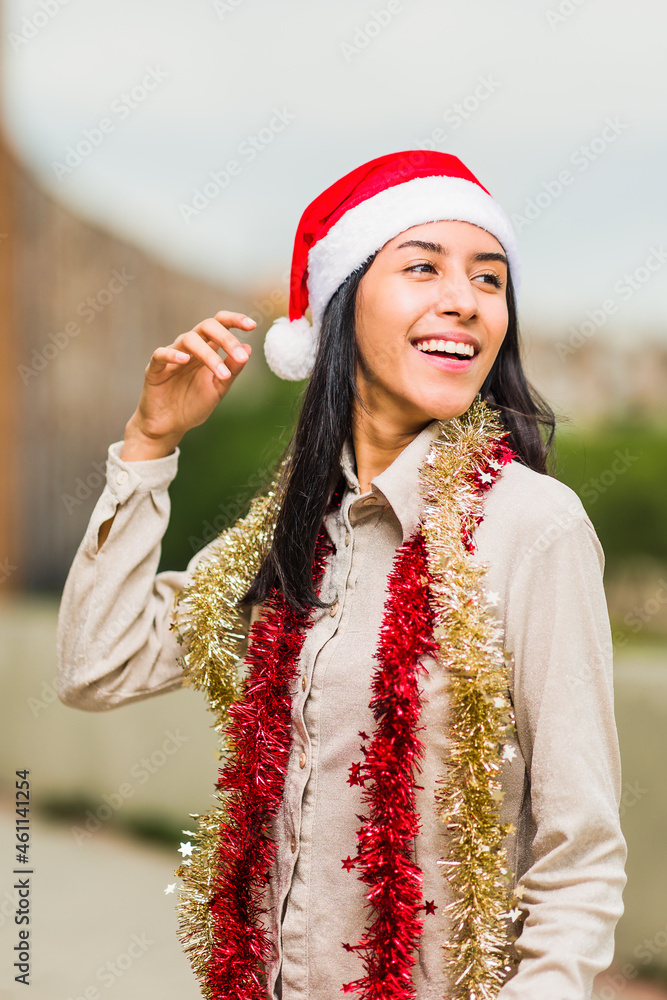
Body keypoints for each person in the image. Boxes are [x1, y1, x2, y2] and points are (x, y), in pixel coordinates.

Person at [57, 150, 627, 1000]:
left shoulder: (530, 529)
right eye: (422, 267)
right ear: (338, 305)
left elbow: (579, 854)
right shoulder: (280, 541)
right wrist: (147, 448)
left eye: (489, 278)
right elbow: (95, 667)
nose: (464, 300)